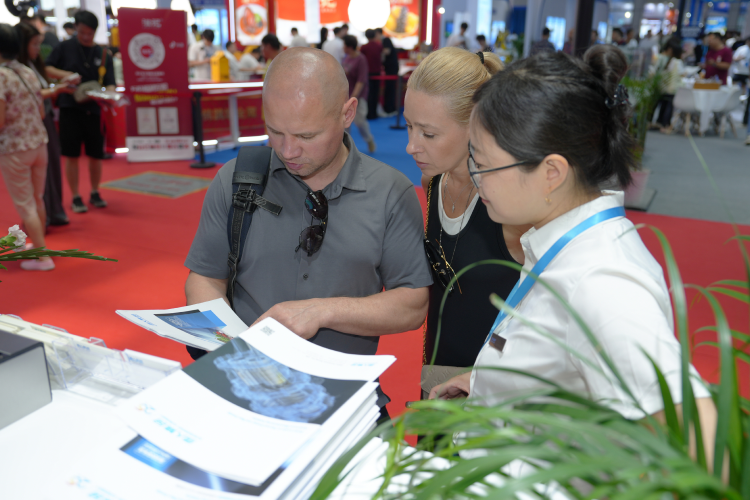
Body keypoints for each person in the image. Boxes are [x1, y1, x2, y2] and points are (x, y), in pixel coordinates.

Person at [430, 47, 717, 462]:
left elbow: (698, 438)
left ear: (551, 173)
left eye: (484, 163)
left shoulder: (601, 280)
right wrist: (494, 382)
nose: (476, 177)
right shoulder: (559, 240)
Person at [184, 47, 431, 421]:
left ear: (347, 113)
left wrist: (322, 311)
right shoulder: (235, 180)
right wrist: (226, 348)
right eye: (274, 131)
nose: (288, 150)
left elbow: (412, 304)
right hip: (243, 386)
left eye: (306, 135)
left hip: (342, 400)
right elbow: (205, 277)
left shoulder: (390, 193)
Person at [404, 47, 527, 397]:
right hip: (436, 379)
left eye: (428, 134)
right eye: (409, 126)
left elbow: (551, 314)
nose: (411, 146)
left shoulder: (511, 208)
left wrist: (485, 377)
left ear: (475, 124)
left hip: (496, 393)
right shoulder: (433, 184)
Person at [45, 10, 115, 214]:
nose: (86, 37)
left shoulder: (103, 53)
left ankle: (95, 192)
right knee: (71, 154)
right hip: (69, 107)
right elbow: (47, 68)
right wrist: (66, 75)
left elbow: (111, 83)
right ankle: (75, 195)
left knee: (96, 154)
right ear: (76, 27)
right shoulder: (64, 47)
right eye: (82, 32)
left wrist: (109, 96)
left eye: (90, 33)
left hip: (94, 109)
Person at [0, 24, 52, 270]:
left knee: (26, 204)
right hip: (38, 143)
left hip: (15, 148)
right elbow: (40, 111)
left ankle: (43, 258)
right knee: (36, 200)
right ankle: (40, 248)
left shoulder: (1, 76)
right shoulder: (27, 71)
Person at [16, 22, 73, 227]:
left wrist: (56, 88)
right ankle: (41, 220)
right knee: (33, 177)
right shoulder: (14, 70)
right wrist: (57, 90)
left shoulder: (32, 65)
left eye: (38, 43)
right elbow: (31, 95)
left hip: (42, 121)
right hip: (27, 127)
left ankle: (52, 212)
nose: (38, 49)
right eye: (34, 44)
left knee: (50, 167)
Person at [342, 35, 376, 153]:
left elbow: (361, 81)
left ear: (349, 46)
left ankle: (369, 140)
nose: (343, 47)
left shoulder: (361, 59)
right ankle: (345, 147)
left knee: (360, 121)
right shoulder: (346, 58)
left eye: (344, 45)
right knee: (345, 122)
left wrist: (353, 97)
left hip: (358, 96)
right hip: (346, 95)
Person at [652, 36, 683, 132]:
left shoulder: (668, 60)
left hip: (663, 87)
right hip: (672, 88)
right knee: (668, 107)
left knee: (662, 105)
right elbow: (681, 73)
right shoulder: (677, 62)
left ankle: (658, 122)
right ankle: (665, 125)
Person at [360, 29, 382, 120]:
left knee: (368, 93)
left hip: (368, 73)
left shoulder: (364, 47)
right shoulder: (379, 46)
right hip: (377, 72)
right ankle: (374, 113)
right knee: (375, 93)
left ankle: (369, 113)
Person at [378, 28, 399, 116]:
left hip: (391, 69)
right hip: (390, 69)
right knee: (389, 89)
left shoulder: (385, 40)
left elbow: (387, 52)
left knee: (390, 89)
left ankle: (390, 109)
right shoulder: (384, 41)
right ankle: (390, 108)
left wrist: (378, 51)